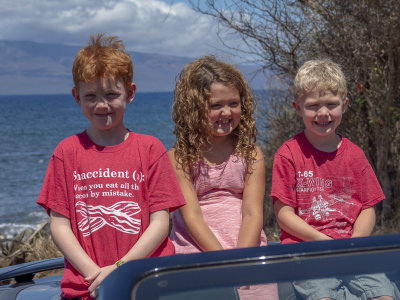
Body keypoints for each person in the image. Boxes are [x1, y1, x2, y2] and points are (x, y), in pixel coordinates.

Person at [37, 33, 185, 300]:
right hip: (86, 288)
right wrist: (94, 274)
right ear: (76, 97)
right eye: (91, 95)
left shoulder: (150, 149)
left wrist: (119, 269)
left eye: (111, 94)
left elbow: (161, 222)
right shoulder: (66, 152)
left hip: (147, 282)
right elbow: (59, 225)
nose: (102, 104)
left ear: (130, 93)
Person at [271, 59, 395, 299]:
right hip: (307, 252)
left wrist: (353, 245)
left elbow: (368, 207)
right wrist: (324, 242)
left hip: (352, 251)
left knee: (384, 294)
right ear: (297, 107)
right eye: (313, 105)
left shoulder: (355, 155)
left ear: (345, 105)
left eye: (331, 104)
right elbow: (284, 215)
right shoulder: (288, 154)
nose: (323, 113)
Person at [169, 55, 278, 299]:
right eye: (215, 105)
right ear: (194, 108)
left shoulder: (251, 155)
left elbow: (252, 213)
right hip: (198, 254)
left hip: (247, 254)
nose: (226, 112)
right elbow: (192, 216)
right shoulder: (179, 158)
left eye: (234, 103)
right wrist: (222, 261)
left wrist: (239, 261)